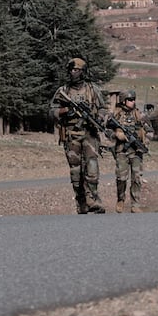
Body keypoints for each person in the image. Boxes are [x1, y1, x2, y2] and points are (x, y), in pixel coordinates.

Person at [50, 57, 108, 214]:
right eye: (71, 70)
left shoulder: (92, 89)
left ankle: (94, 200)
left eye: (76, 70)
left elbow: (103, 108)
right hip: (71, 134)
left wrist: (99, 117)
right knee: (76, 170)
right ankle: (81, 202)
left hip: (90, 133)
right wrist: (64, 111)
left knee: (92, 167)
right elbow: (52, 110)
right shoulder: (63, 91)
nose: (72, 73)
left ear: (83, 72)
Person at [109, 90, 153, 213]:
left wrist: (145, 142)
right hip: (122, 151)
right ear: (123, 101)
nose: (132, 102)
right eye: (130, 100)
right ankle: (121, 199)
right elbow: (106, 131)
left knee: (136, 178)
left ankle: (135, 204)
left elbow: (150, 131)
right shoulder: (116, 115)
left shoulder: (140, 115)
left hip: (136, 151)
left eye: (134, 99)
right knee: (121, 178)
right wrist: (116, 135)